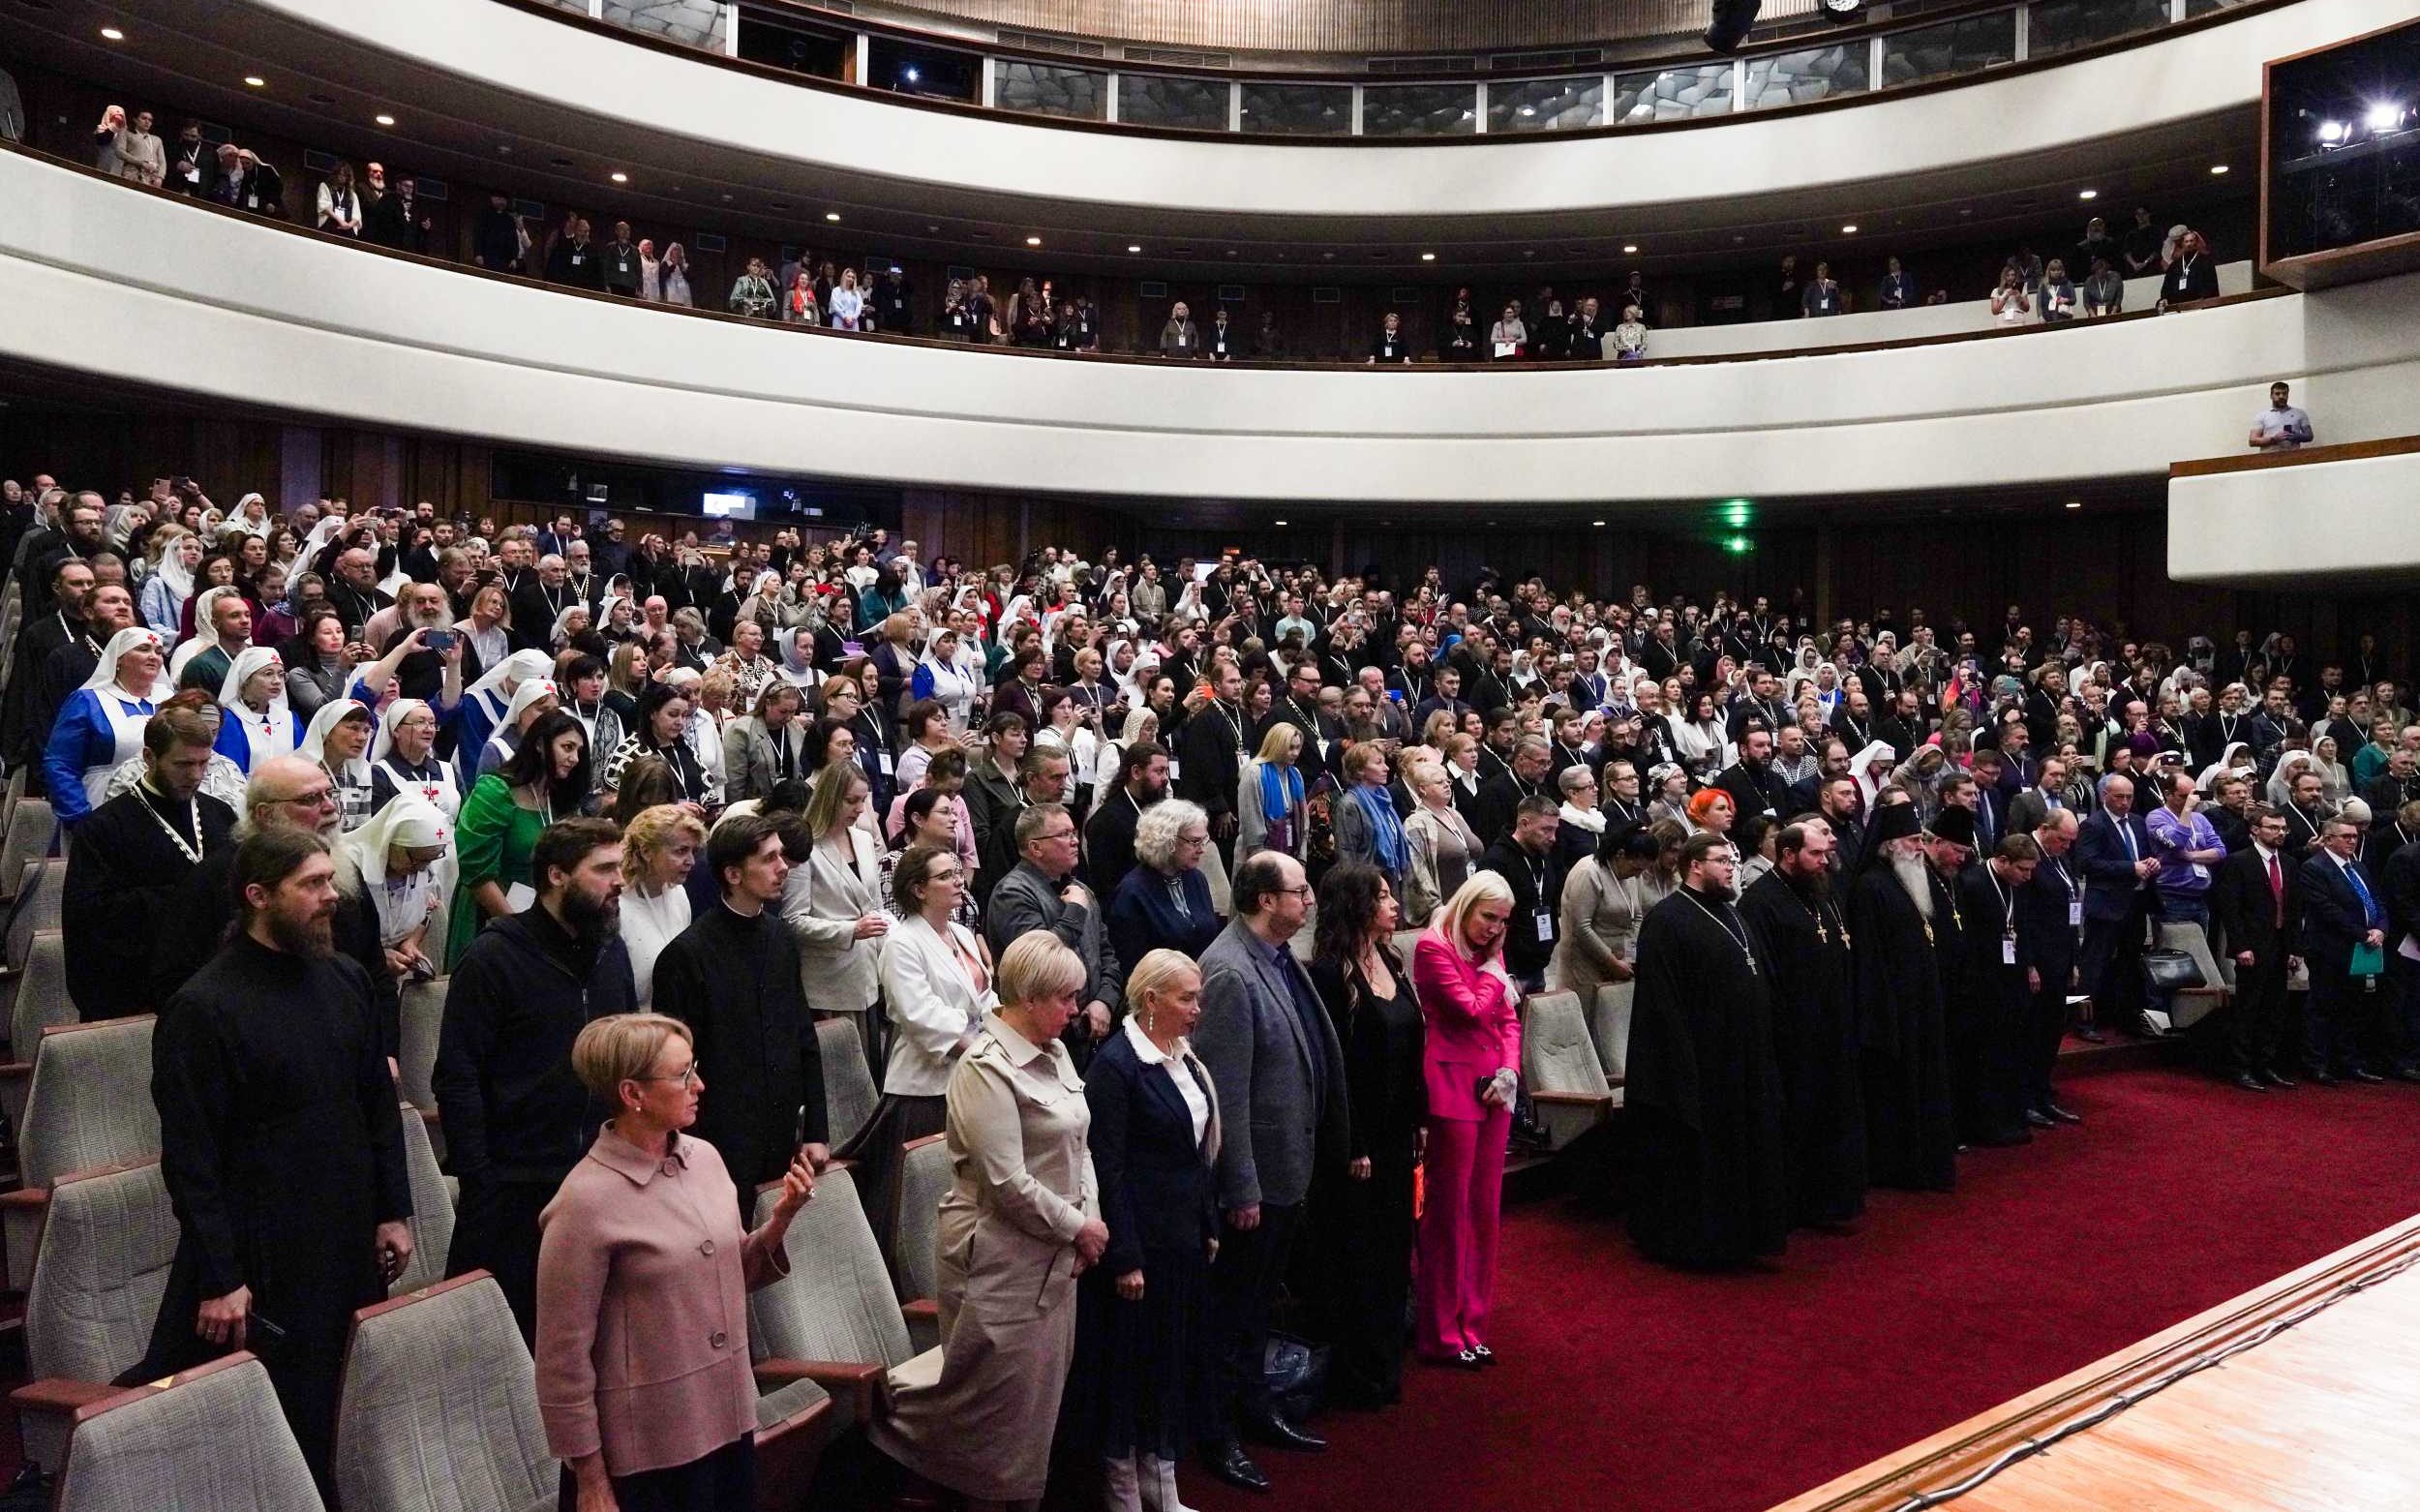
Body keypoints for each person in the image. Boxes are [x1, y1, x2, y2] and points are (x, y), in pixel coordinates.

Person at [139, 829, 413, 1497]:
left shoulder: (346, 978)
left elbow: (377, 1109)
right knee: (267, 1442)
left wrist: (394, 1211)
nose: (332, 899)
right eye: (313, 886)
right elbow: (192, 1159)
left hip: (346, 1238)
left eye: (331, 881)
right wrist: (220, 1276)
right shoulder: (203, 1007)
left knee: (343, 1415)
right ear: (257, 896)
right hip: (263, 1255)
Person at [535, 1013, 817, 1512]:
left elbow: (733, 1273)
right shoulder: (584, 1201)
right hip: (646, 1460)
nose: (699, 1085)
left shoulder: (706, 1159)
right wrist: (591, 1480)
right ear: (632, 1093)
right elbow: (562, 1362)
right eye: (683, 1075)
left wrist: (780, 1221)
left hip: (727, 1427)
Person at [869, 933, 1107, 1509]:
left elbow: (1082, 1146)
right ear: (1026, 997)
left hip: (1058, 1255)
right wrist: (1078, 1227)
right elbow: (1006, 1183)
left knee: (1034, 1413)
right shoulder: (984, 1068)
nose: (1075, 1010)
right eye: (1065, 998)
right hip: (999, 1261)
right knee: (997, 1424)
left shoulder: (1054, 1051)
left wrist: (1089, 1218)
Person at [436, 817, 635, 1340]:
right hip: (516, 1189)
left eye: (621, 867)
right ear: (556, 876)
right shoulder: (494, 957)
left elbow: (629, 1060)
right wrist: (480, 1180)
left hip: (602, 1178)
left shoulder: (611, 953)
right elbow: (457, 1077)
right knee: (506, 1344)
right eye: (605, 869)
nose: (620, 880)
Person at [1193, 850, 1346, 1492]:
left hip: (1288, 1167)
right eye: (1299, 891)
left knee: (1259, 1310)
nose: (1309, 900)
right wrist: (1242, 1187)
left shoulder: (1276, 958)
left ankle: (1256, 1408)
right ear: (1264, 900)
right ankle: (1217, 1434)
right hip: (1255, 1182)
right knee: (1233, 1314)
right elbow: (1225, 1098)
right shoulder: (1228, 972)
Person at [1074, 947, 1221, 1512]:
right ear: (1152, 999)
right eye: (1187, 998)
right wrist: (1126, 1257)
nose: (1196, 1009)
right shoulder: (1116, 1066)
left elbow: (1198, 1151)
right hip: (1139, 1245)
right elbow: (1107, 1169)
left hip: (1182, 1235)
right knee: (1128, 1366)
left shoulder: (1182, 1055)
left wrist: (1207, 1222)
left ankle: (1162, 1482)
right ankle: (1122, 1490)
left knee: (1168, 1360)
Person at [1622, 831, 1789, 1268]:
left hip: (1743, 1060)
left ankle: (1746, 1238)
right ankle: (1704, 1244)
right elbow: (1662, 1005)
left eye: (1733, 860)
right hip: (1703, 1062)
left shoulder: (1731, 914)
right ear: (1695, 865)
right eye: (1722, 860)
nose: (1731, 867)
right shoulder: (1668, 919)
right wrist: (1683, 1068)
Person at [653, 813, 831, 1216]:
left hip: (783, 1130)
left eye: (781, 856)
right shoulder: (685, 956)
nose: (783, 867)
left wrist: (817, 1129)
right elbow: (678, 1068)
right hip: (720, 1137)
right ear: (733, 874)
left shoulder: (781, 937)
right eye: (768, 859)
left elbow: (803, 1036)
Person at [1297, 866, 1422, 1406]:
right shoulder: (1328, 974)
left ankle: (1385, 1360)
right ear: (1355, 906)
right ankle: (1356, 1372)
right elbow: (1335, 1069)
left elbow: (1413, 1045)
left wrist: (1420, 1118)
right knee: (1358, 1254)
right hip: (1357, 1143)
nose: (1393, 905)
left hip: (1397, 1134)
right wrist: (1353, 1144)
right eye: (1382, 896)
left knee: (1395, 1247)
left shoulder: (1392, 959)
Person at [847, 840, 997, 1247]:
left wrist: (999, 1031)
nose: (957, 882)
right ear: (918, 888)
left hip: (972, 1077)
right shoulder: (903, 943)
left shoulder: (963, 933)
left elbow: (985, 997)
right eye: (945, 876)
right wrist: (983, 1046)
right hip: (925, 1091)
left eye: (956, 872)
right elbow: (918, 1014)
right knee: (924, 1204)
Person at [62, 702, 237, 1019]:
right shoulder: (103, 828)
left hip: (218, 990)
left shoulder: (220, 815)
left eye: (203, 764)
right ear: (149, 757)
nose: (195, 775)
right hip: (138, 995)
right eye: (183, 764)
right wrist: (187, 898)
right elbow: (92, 921)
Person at [1737, 818, 1864, 1229]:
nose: (1824, 860)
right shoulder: (1760, 901)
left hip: (1835, 1026)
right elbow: (1766, 977)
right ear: (1787, 854)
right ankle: (1801, 1206)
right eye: (1815, 854)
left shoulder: (1822, 891)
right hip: (1795, 1036)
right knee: (1802, 1120)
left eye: (1826, 853)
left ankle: (1835, 1199)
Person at [1846, 801, 1958, 1193]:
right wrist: (1884, 1015)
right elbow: (1871, 962)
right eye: (1912, 840)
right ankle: (1900, 1165)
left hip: (1921, 1003)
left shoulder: (1910, 880)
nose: (1919, 848)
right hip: (1894, 1011)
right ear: (1890, 844)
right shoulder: (1871, 887)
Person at [447, 710, 590, 970]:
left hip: (543, 917)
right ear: (539, 744)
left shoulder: (560, 799)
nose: (574, 758)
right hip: (492, 915)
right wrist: (522, 933)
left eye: (579, 751)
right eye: (567, 747)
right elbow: (478, 873)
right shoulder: (495, 791)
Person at [1954, 834, 2042, 1149]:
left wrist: (2029, 965)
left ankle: (2010, 1115)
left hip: (2012, 977)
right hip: (1983, 983)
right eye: (2022, 870)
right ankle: (1986, 1123)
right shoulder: (1973, 883)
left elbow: (2023, 925)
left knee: (2012, 1049)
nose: (2027, 877)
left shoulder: (2015, 885)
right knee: (1987, 1056)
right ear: (2002, 861)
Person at [2210, 804, 2302, 1092]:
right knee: (2248, 1008)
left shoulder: (2288, 862)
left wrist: (2295, 949)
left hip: (2280, 944)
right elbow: (2230, 909)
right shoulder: (2239, 861)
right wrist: (2240, 946)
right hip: (2252, 946)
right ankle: (2240, 1067)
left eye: (2282, 828)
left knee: (2275, 1009)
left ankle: (2266, 1064)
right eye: (2273, 828)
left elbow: (2294, 909)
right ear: (2255, 830)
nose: (2279, 833)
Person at [45, 625, 169, 825]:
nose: (154, 656)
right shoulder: (88, 701)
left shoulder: (172, 701)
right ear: (119, 658)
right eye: (143, 649)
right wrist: (79, 816)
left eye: (158, 651)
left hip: (166, 804)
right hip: (99, 804)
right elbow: (61, 763)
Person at [2299, 816, 2389, 1084]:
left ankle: (2348, 1062)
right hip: (2330, 949)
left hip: (2362, 949)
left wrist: (2381, 928)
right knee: (2323, 1008)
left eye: (2355, 836)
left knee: (2353, 1007)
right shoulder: (2314, 868)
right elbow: (2327, 910)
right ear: (2327, 839)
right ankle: (2317, 1064)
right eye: (2346, 836)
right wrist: (2364, 934)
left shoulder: (2359, 867)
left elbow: (2376, 901)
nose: (2353, 840)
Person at [2076, 772, 2162, 1039]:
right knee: (2095, 963)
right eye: (2119, 797)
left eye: (2129, 797)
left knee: (2129, 964)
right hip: (2106, 905)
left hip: (2135, 904)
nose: (2125, 802)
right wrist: (2130, 868)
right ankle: (2085, 1022)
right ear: (2105, 797)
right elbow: (2088, 864)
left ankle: (2125, 1016)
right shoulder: (2094, 824)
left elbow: (2143, 857)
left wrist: (2151, 864)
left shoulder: (2137, 822)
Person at [2015, 809, 2087, 1125]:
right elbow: (2022, 918)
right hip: (2038, 960)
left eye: (2071, 842)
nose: (2066, 846)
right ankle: (2026, 1099)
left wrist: (2074, 960)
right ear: (2044, 829)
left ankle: (2043, 1093)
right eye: (2062, 839)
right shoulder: (2028, 858)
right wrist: (2028, 963)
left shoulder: (2059, 857)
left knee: (2051, 1031)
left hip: (2060, 957)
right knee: (2032, 1033)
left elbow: (2071, 908)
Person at [1107, 797, 1222, 969]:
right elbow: (1133, 964)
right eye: (1195, 841)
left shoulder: (1196, 878)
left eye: (1204, 840)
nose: (1202, 849)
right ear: (1168, 840)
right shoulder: (1132, 892)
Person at [1477, 795, 1562, 991]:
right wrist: (1507, 972)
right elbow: (1490, 925)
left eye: (1555, 830)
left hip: (1538, 964)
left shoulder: (1542, 856)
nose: (1553, 837)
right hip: (1510, 969)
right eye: (1546, 830)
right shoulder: (1495, 862)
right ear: (1525, 824)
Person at [1404, 757, 1481, 929]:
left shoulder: (1455, 815)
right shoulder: (1416, 823)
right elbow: (1418, 873)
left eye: (1448, 781)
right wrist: (1438, 910)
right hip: (1445, 913)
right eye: (1439, 782)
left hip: (1472, 905)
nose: (1447, 785)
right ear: (1422, 789)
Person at [1085, 737, 1167, 897]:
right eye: (1159, 771)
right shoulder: (1107, 820)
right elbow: (1106, 885)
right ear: (1136, 772)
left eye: (1166, 771)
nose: (1165, 778)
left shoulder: (1158, 808)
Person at [1332, 741, 1409, 898]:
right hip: (1368, 888)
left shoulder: (1384, 799)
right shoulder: (1350, 805)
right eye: (1378, 763)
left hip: (1392, 881)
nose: (1386, 768)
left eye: (1385, 762)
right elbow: (1346, 855)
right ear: (1360, 770)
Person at [1237, 722, 1308, 862]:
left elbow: (1303, 821)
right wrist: (1262, 861)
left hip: (1291, 852)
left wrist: (1302, 858)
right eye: (1290, 748)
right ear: (1277, 746)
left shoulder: (1295, 774)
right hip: (1258, 857)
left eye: (1298, 747)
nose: (1295, 753)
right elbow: (1252, 825)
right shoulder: (1254, 773)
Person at [2249, 380, 2315, 453]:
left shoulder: (2299, 413)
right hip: (2268, 459)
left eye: (2284, 393)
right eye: (2277, 394)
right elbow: (2252, 441)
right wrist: (2274, 439)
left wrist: (2297, 436)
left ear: (2288, 395)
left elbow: (2309, 436)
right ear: (2271, 396)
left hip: (2294, 458)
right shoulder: (2262, 416)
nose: (2281, 396)